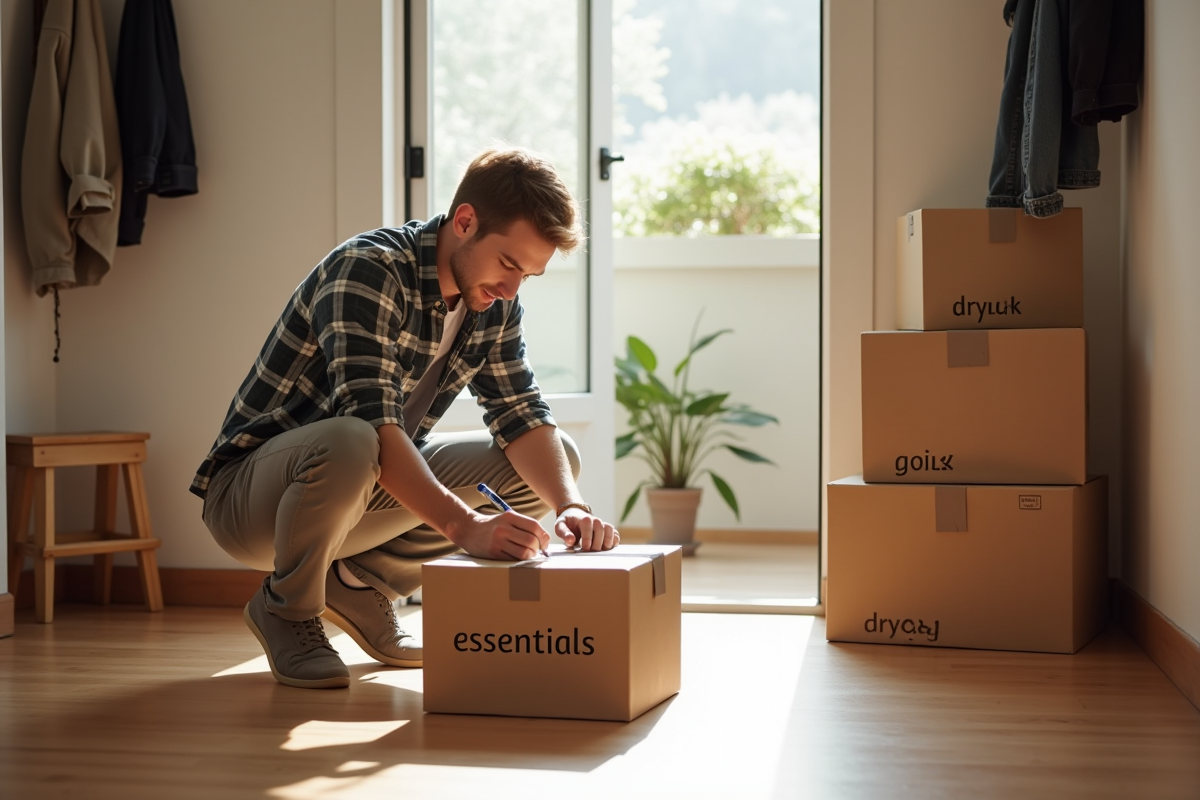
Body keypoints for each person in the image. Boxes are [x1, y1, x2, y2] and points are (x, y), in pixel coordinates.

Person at [190, 147, 619, 689]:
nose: (511, 290)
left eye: (527, 276)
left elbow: (520, 411)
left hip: (362, 482)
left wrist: (570, 506)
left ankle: (356, 583)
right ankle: (287, 608)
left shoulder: (492, 304)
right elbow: (372, 423)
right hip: (252, 502)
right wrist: (466, 527)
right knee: (353, 439)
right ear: (465, 221)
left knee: (556, 465)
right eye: (509, 264)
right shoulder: (368, 269)